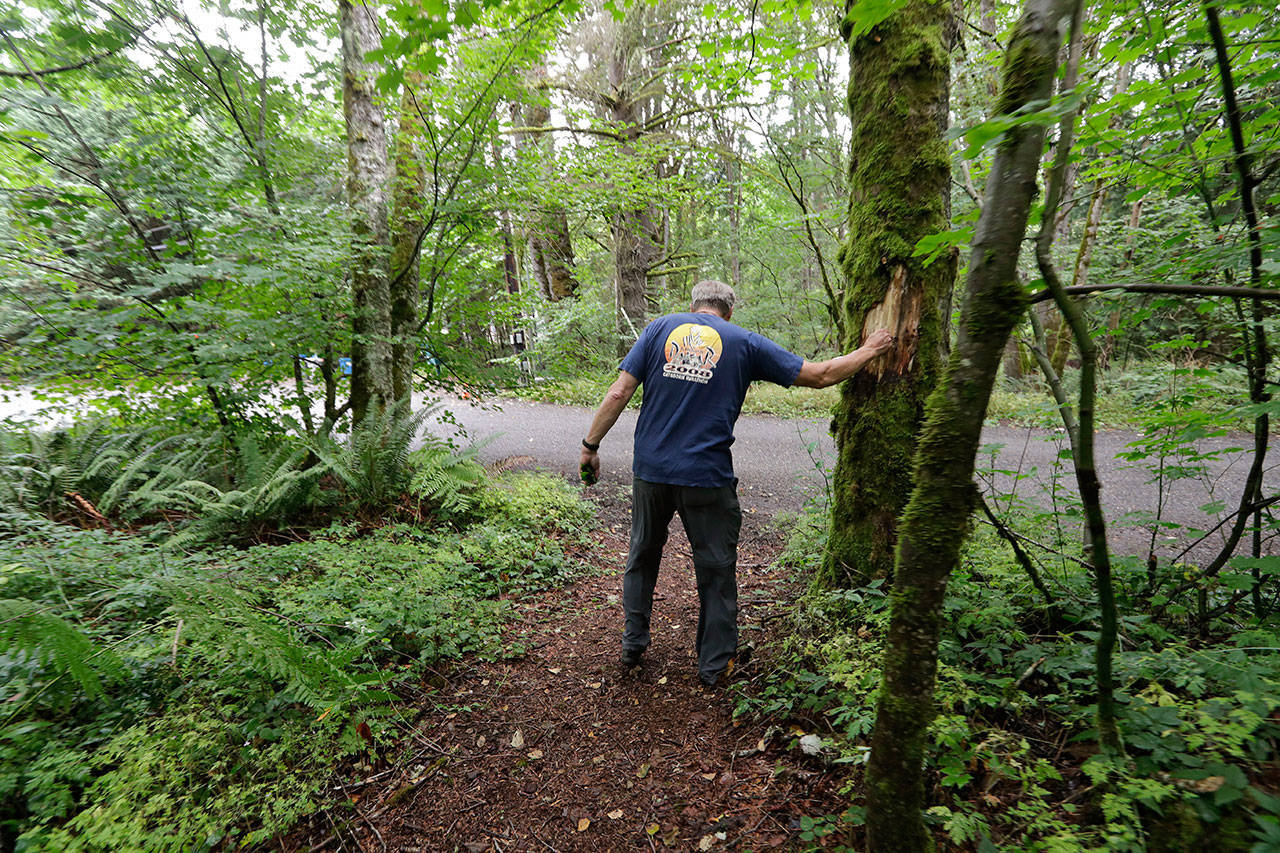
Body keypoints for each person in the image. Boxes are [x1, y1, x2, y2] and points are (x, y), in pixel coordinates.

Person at [579, 280, 894, 687]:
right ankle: (713, 667)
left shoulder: (658, 329)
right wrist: (869, 350)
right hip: (706, 477)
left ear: (692, 306)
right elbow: (820, 375)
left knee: (642, 555)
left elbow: (620, 390)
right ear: (729, 312)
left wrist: (590, 446)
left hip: (651, 472)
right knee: (716, 569)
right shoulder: (744, 342)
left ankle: (633, 645)